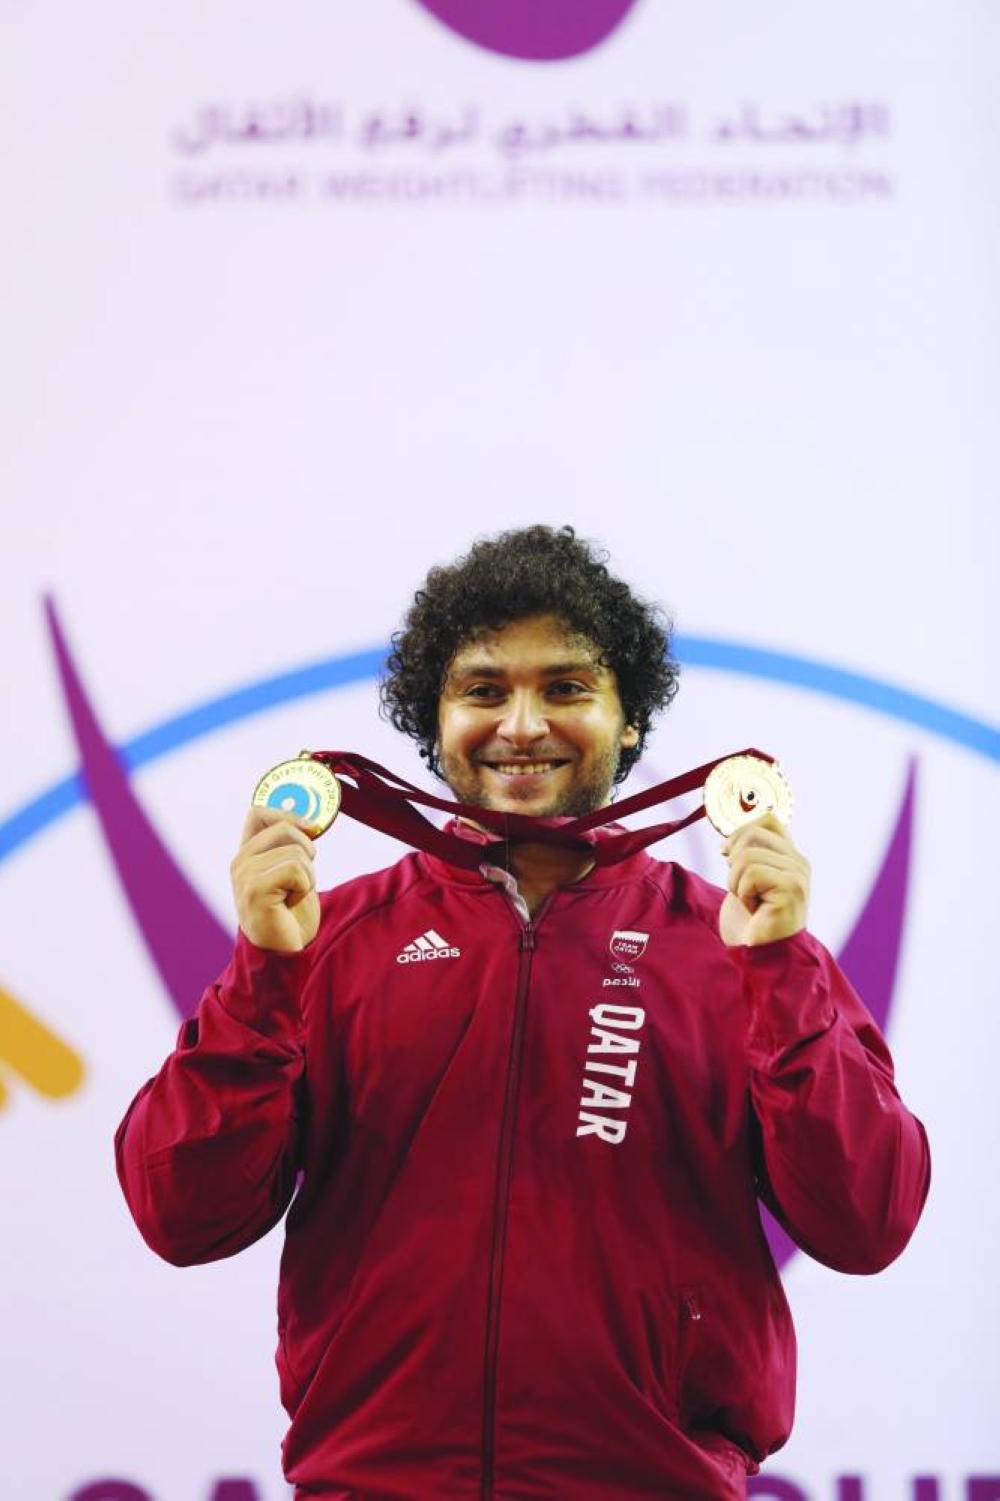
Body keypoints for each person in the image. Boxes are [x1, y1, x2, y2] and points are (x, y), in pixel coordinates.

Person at [115, 525, 930, 1500]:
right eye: (484, 689)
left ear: (630, 721)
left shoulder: (738, 944)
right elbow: (181, 1216)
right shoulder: (328, 941)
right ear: (435, 717)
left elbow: (867, 1220)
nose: (523, 724)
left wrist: (780, 970)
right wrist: (262, 977)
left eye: (567, 688)